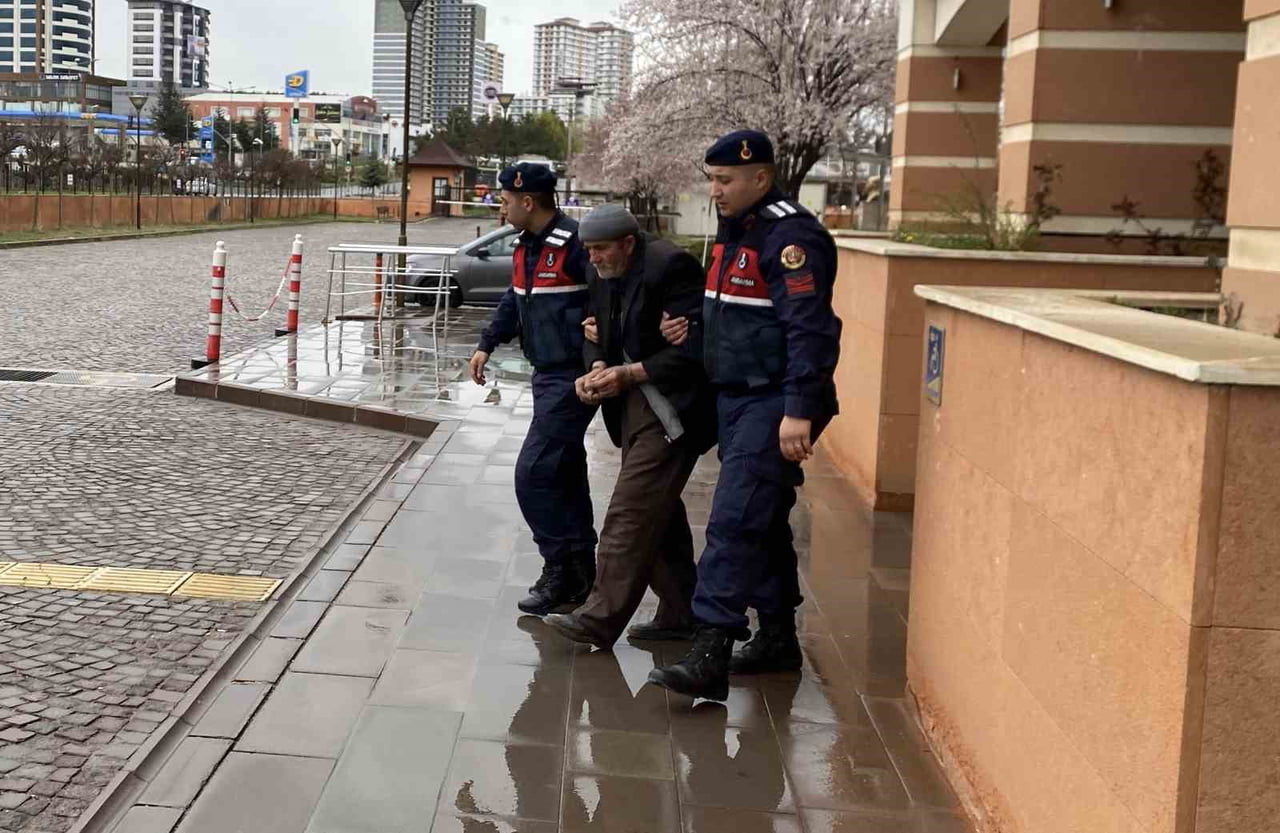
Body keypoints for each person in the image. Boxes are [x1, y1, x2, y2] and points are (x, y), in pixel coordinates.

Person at [647, 129, 843, 701]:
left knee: (734, 518)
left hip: (774, 400)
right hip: (736, 399)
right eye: (710, 179)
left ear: (761, 177)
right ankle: (778, 637)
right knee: (762, 518)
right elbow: (743, 318)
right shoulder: (736, 234)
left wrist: (799, 409)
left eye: (726, 179)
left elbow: (810, 330)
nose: (715, 190)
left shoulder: (789, 237)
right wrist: (692, 330)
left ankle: (712, 647)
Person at [541, 204, 714, 649]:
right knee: (659, 512)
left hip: (674, 409)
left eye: (601, 250)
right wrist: (595, 366)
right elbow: (595, 332)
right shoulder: (601, 270)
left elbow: (696, 349)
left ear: (628, 245)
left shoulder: (671, 266)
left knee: (629, 512)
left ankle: (598, 619)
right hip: (631, 408)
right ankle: (681, 613)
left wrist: (629, 372)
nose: (593, 260)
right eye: (589, 250)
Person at [470, 162, 597, 616]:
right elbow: (514, 298)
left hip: (573, 376)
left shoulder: (575, 244)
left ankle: (561, 568)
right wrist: (487, 342)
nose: (500, 207)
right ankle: (582, 570)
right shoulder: (526, 246)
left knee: (534, 472)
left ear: (528, 201)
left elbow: (608, 296)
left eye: (504, 201)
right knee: (562, 470)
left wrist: (599, 347)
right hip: (545, 374)